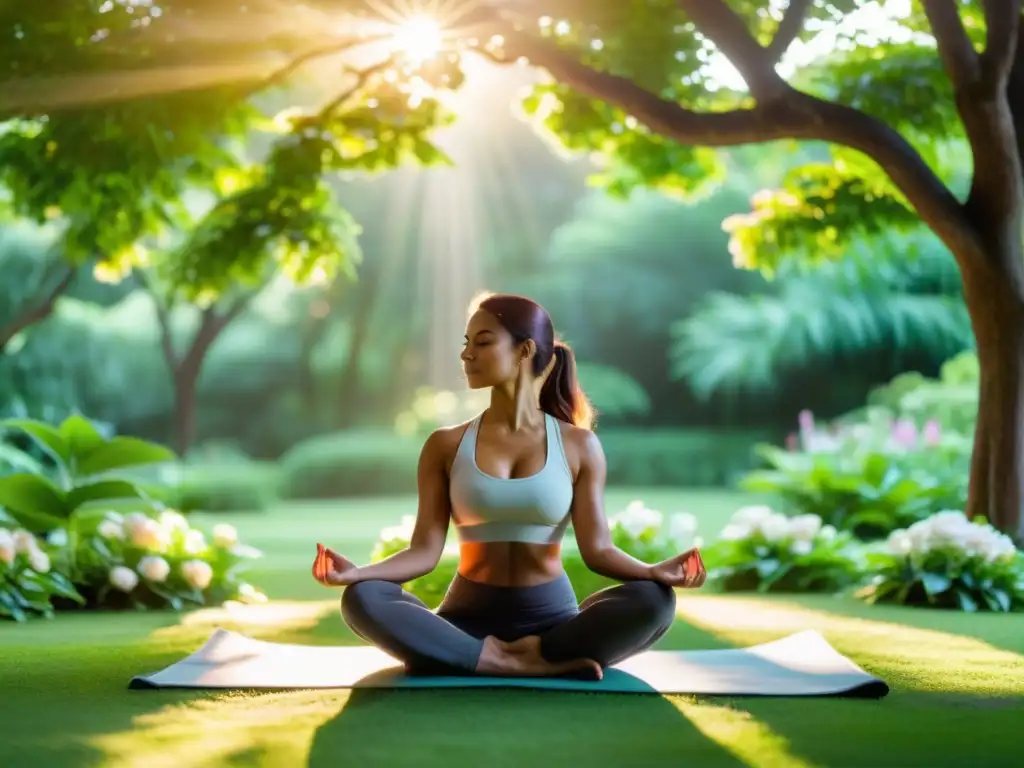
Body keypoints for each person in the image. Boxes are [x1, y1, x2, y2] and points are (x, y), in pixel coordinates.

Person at [312, 293, 706, 680]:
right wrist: (358, 575)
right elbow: (423, 552)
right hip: (466, 619)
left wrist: (653, 571)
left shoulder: (579, 446)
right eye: (466, 344)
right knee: (363, 599)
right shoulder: (445, 445)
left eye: (482, 343)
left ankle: (489, 657)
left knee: (654, 601)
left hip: (553, 625)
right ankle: (501, 658)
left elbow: (598, 550)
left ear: (524, 350)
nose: (467, 355)